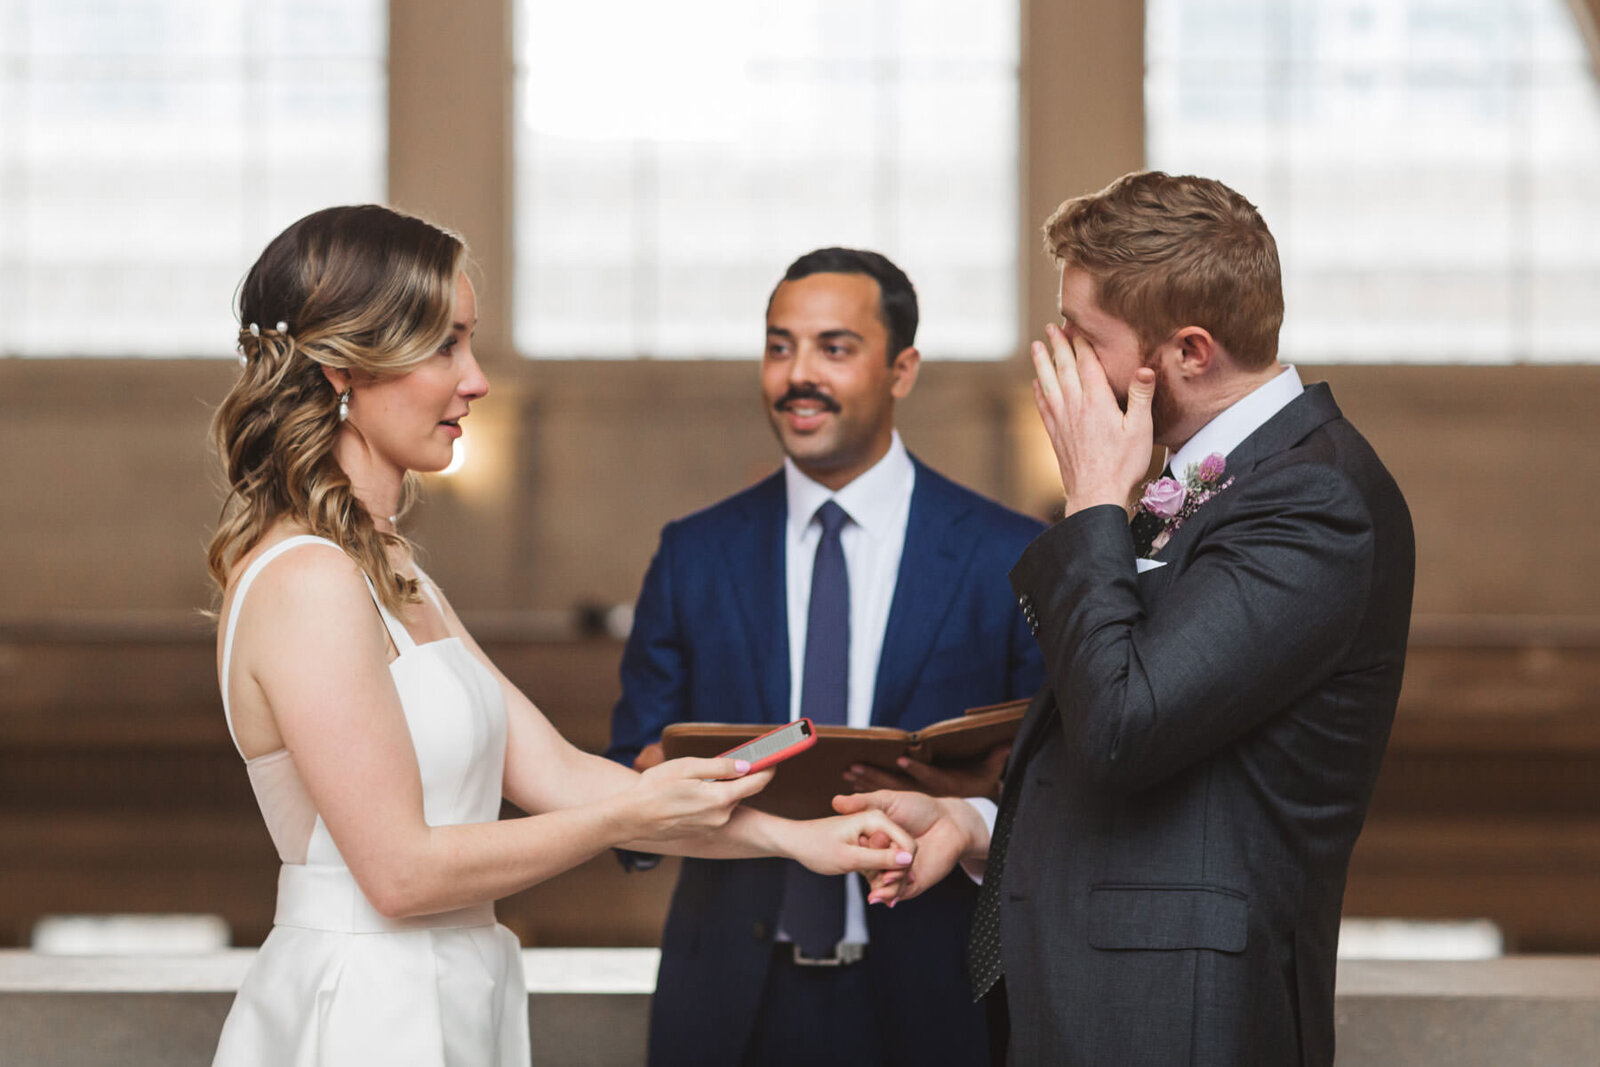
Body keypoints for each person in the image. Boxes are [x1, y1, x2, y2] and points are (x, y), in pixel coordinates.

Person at [205, 206, 916, 1067]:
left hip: (449, 988)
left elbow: (563, 776)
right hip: (363, 1010)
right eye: (445, 346)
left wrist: (791, 837)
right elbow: (399, 873)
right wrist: (631, 810)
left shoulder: (391, 568)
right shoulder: (308, 579)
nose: (477, 380)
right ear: (344, 366)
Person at [843, 172, 1416, 1066]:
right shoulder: (1203, 474)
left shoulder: (1315, 500)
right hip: (1097, 1003)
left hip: (1179, 1021)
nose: (1060, 360)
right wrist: (978, 822)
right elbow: (1137, 750)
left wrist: (1091, 504)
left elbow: (1122, 723)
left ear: (1190, 351)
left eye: (1083, 336)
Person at [606, 247, 1045, 1067]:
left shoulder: (1008, 554)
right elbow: (628, 770)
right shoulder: (694, 553)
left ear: (902, 369)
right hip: (728, 1004)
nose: (798, 374)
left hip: (934, 998)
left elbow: (1055, 788)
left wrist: (970, 816)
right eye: (780, 346)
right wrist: (659, 786)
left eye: (834, 348)